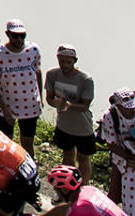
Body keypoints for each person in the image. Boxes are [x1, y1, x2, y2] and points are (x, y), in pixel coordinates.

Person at [0, 19, 44, 153]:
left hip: (30, 105)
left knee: (28, 144)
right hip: (7, 105)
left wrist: (40, 97)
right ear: (7, 34)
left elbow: (38, 72)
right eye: (15, 36)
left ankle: (29, 171)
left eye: (22, 36)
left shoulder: (33, 50)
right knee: (6, 144)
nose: (19, 39)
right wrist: (4, 108)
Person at [45, 45, 97, 183]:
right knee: (67, 154)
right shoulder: (52, 74)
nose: (65, 65)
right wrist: (54, 103)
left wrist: (69, 105)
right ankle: (67, 187)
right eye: (62, 62)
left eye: (69, 62)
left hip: (83, 128)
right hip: (64, 125)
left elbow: (85, 106)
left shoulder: (86, 79)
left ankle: (83, 188)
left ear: (75, 61)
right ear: (58, 59)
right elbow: (49, 98)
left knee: (83, 158)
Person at [41, 165, 128, 216]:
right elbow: (66, 208)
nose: (56, 193)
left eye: (56, 190)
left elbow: (74, 209)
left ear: (65, 190)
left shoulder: (79, 209)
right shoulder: (89, 190)